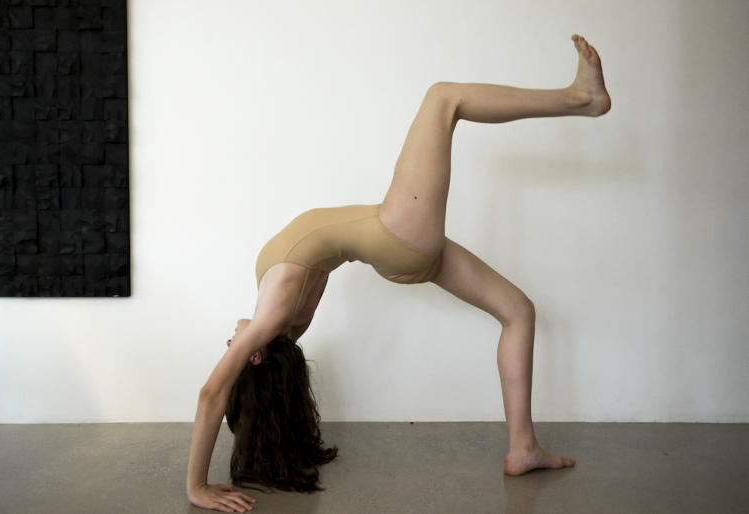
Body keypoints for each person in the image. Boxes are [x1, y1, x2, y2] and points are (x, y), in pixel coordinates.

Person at [187, 34, 611, 513]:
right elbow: (211, 393)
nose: (230, 341)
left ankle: (523, 449)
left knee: (518, 311)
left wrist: (255, 349)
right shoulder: (276, 308)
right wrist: (197, 487)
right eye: (236, 350)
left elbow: (263, 348)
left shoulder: (283, 323)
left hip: (401, 247)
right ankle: (581, 99)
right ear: (254, 356)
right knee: (443, 98)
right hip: (396, 232)